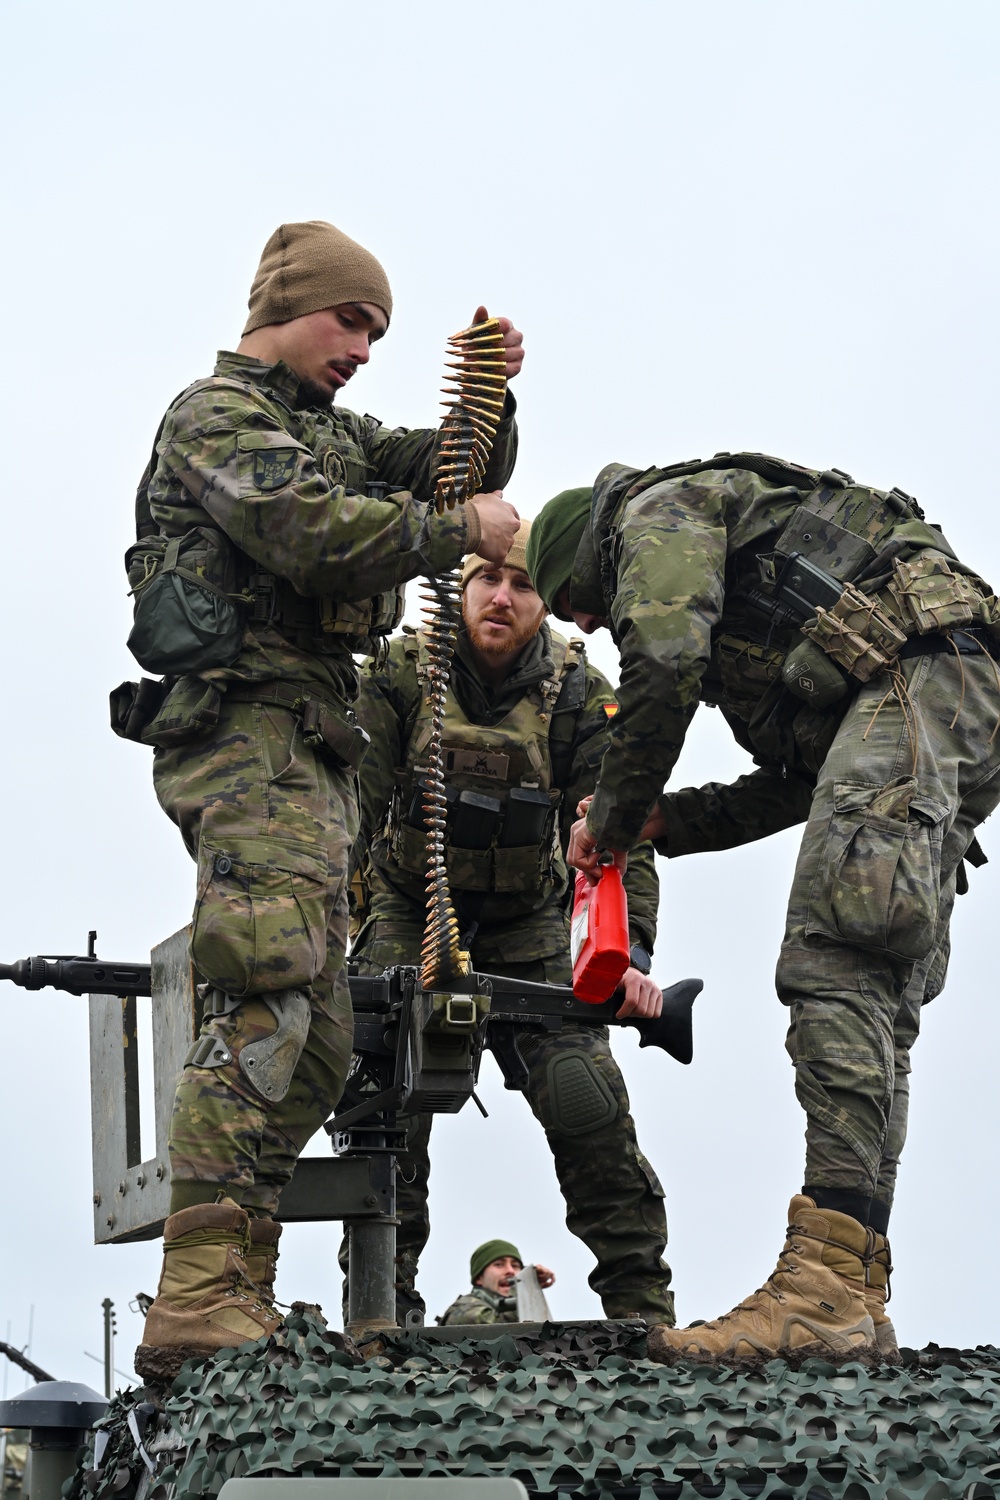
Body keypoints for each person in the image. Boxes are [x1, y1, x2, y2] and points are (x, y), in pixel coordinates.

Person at [124, 219, 524, 1367]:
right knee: (265, 996)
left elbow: (456, 470)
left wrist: (493, 396)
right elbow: (310, 534)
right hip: (249, 740)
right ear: (285, 304)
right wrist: (455, 531)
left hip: (310, 755)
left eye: (379, 332)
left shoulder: (327, 430)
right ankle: (198, 1288)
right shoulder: (219, 419)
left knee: (313, 1040)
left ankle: (231, 1284)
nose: (361, 347)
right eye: (350, 320)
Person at [526, 459, 1000, 1365]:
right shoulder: (740, 574)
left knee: (836, 961)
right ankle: (852, 1282)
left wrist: (614, 817)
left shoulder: (654, 516)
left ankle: (822, 1290)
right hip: (949, 697)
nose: (582, 623)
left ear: (582, 557)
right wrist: (671, 820)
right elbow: (801, 781)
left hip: (920, 682)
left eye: (571, 602)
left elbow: (663, 666)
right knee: (874, 992)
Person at [346, 520, 675, 1327]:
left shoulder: (577, 691)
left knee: (583, 1095)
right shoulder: (397, 674)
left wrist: (624, 957)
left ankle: (641, 1308)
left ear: (546, 599)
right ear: (458, 589)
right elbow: (347, 812)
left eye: (523, 584)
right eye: (485, 579)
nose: (502, 596)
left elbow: (618, 837)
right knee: (382, 1100)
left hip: (532, 919)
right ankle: (382, 1314)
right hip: (408, 905)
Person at [439, 1239, 555, 1325]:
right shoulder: (465, 1308)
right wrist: (524, 1285)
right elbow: (509, 1330)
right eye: (499, 1265)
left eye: (515, 1266)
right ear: (479, 1278)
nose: (510, 1271)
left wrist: (530, 1280)